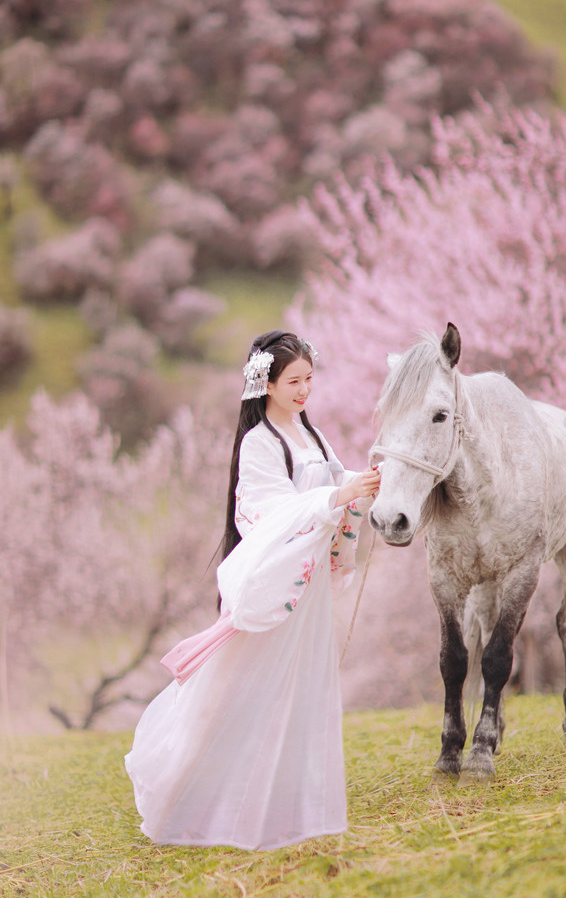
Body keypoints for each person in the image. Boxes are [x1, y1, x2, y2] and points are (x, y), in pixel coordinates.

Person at [125, 330, 380, 850]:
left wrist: (362, 481)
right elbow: (273, 512)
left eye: (310, 378)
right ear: (266, 383)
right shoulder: (260, 443)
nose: (305, 390)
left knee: (299, 683)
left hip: (305, 587)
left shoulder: (310, 434)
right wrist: (338, 494)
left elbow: (330, 480)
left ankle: (287, 800)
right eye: (294, 381)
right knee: (233, 684)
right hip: (277, 583)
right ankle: (181, 793)